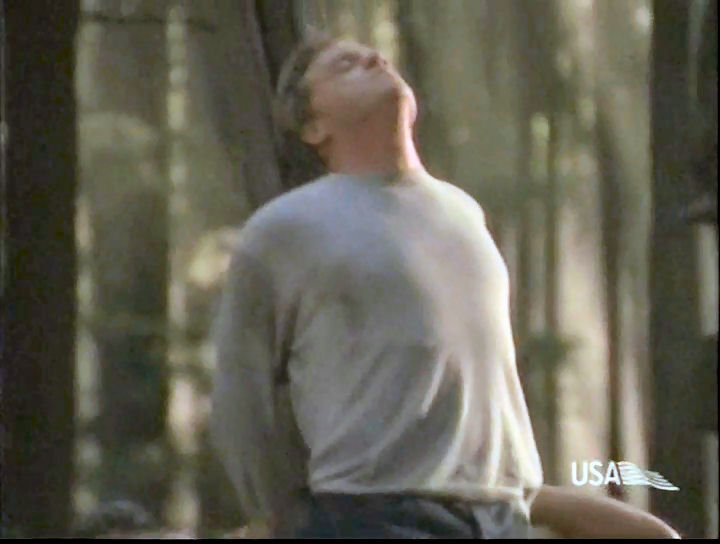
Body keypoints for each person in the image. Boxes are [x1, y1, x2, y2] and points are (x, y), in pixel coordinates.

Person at [208, 33, 678, 539]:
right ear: (312, 127)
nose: (375, 58)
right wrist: (278, 515)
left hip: (499, 515)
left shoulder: (463, 212)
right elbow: (240, 393)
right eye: (345, 64)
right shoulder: (284, 229)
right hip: (374, 514)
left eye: (375, 54)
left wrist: (522, 494)